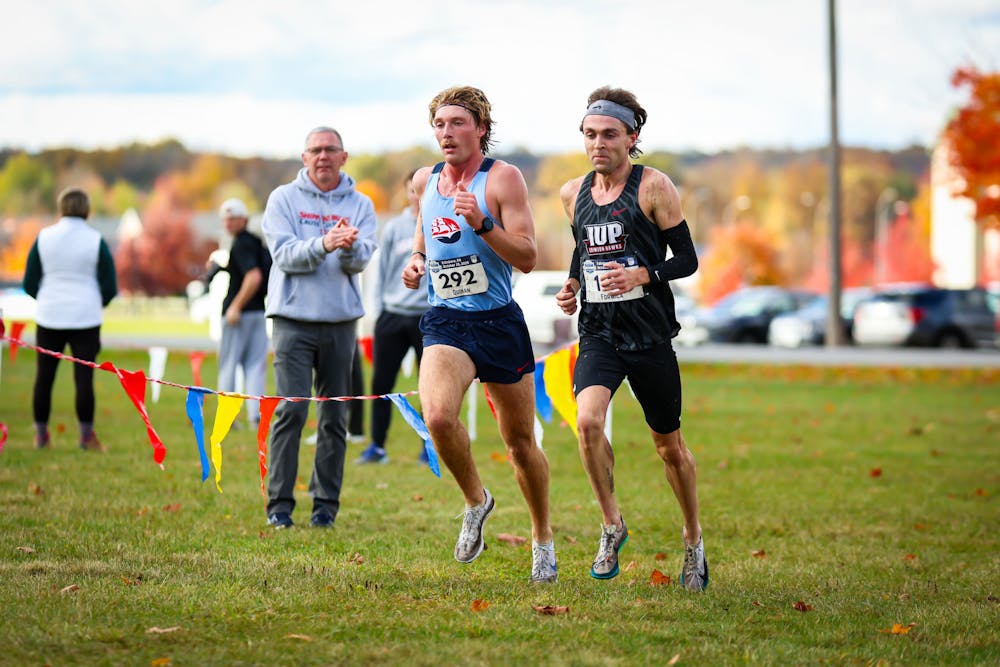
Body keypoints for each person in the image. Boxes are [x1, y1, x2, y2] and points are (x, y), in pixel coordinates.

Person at [401, 86, 556, 583]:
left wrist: (482, 223)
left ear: (480, 128)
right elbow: (424, 230)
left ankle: (542, 538)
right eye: (439, 125)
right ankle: (476, 501)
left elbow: (528, 257)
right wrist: (417, 260)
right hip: (447, 320)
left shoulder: (503, 178)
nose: (446, 133)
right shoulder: (426, 180)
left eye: (457, 123)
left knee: (520, 444)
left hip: (498, 322)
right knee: (438, 417)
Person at [554, 86, 707, 590]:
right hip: (599, 334)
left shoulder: (653, 187)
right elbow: (582, 250)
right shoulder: (572, 193)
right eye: (590, 134)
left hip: (649, 336)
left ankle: (692, 537)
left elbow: (687, 259)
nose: (598, 144)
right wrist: (572, 284)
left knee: (669, 447)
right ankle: (611, 523)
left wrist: (644, 274)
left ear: (631, 138)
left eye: (609, 134)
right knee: (587, 422)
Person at [261, 126, 377, 530]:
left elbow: (361, 261)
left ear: (343, 157)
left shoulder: (361, 204)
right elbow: (284, 256)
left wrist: (349, 247)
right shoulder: (283, 199)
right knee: (291, 409)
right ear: (304, 157)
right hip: (292, 320)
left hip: (341, 322)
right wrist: (325, 243)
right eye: (315, 150)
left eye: (330, 150)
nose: (323, 156)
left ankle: (325, 506)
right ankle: (279, 506)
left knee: (334, 416)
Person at [22, 187, 118, 450]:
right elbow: (109, 285)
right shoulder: (95, 240)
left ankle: (41, 435)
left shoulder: (44, 237)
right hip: (85, 317)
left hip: (49, 316)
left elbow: (29, 282)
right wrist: (97, 301)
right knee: (84, 378)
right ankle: (86, 437)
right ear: (87, 209)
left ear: (61, 207)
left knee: (44, 377)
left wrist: (47, 298)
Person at [356, 170, 430, 465]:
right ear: (406, 193)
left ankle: (429, 447)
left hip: (427, 317)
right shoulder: (393, 229)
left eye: (422, 190)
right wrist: (378, 311)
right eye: (412, 190)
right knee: (381, 384)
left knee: (431, 388)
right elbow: (381, 271)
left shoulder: (441, 225)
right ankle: (377, 446)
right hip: (392, 315)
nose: (417, 196)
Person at [211, 197, 270, 428]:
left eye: (233, 218)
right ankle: (256, 416)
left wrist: (236, 306)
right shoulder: (256, 242)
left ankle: (228, 418)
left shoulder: (241, 244)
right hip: (258, 312)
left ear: (243, 220)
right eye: (225, 219)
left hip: (239, 314)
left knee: (229, 365)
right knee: (255, 366)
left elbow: (253, 276)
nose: (228, 223)